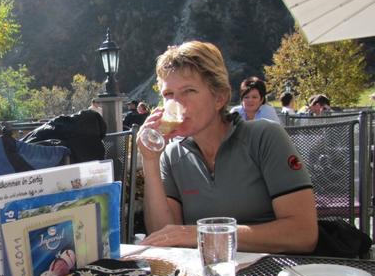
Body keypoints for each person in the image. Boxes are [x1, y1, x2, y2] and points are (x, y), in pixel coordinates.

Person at [136, 41, 318, 254]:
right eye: (168, 94)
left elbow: (303, 234)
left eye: (189, 91)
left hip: (274, 269)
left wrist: (199, 235)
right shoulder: (172, 156)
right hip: (206, 271)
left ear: (219, 98)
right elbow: (163, 236)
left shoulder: (264, 137)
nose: (176, 103)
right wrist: (150, 160)